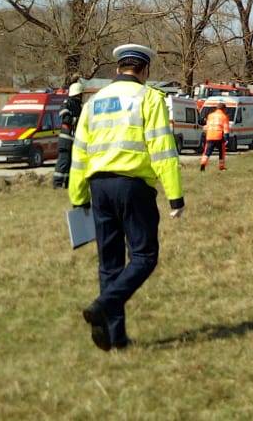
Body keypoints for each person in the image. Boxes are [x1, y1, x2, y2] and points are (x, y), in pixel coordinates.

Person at [72, 43, 184, 352]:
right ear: (144, 70)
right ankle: (104, 305)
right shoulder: (149, 98)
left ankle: (115, 338)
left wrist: (78, 196)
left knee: (109, 264)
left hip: (98, 187)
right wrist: (175, 196)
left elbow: (79, 152)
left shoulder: (94, 102)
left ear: (117, 68)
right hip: (133, 187)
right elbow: (162, 150)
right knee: (144, 257)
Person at [54, 81, 85, 189]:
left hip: (73, 139)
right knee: (64, 161)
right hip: (66, 139)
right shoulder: (67, 103)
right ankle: (57, 183)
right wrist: (77, 120)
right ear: (78, 94)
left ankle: (67, 183)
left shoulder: (78, 106)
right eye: (81, 94)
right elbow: (65, 118)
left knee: (70, 163)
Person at [200, 101, 230, 172]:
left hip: (210, 135)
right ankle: (221, 167)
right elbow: (226, 128)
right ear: (224, 109)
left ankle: (203, 164)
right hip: (219, 136)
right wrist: (226, 138)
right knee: (221, 152)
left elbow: (207, 126)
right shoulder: (224, 116)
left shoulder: (210, 116)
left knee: (207, 152)